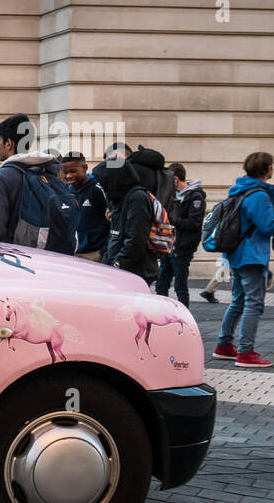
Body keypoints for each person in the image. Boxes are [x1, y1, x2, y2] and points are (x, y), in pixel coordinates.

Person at [213, 152, 274, 368]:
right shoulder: (258, 196)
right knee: (253, 305)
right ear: (267, 168)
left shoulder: (239, 191)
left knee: (238, 302)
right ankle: (246, 352)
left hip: (236, 255)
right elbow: (268, 226)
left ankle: (224, 345)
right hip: (252, 256)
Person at [0, 114, 74, 251]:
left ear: (9, 143)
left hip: (14, 257)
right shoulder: (49, 170)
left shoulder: (1, 177)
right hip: (49, 255)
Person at [100, 148, 164, 285]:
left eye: (105, 182)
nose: (104, 187)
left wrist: (118, 264)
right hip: (123, 269)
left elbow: (136, 238)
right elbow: (116, 236)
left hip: (134, 271)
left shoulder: (137, 198)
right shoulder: (121, 198)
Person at [154, 163, 205, 308]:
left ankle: (184, 320)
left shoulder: (195, 197)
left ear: (175, 179)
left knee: (180, 287)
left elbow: (194, 223)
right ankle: (162, 314)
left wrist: (173, 220)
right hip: (169, 247)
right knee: (161, 285)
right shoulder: (171, 196)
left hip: (182, 248)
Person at [61, 152, 109, 261]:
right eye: (65, 172)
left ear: (85, 167)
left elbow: (114, 223)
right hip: (75, 253)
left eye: (73, 171)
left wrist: (103, 252)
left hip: (96, 254)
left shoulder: (98, 189)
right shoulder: (68, 191)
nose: (68, 176)